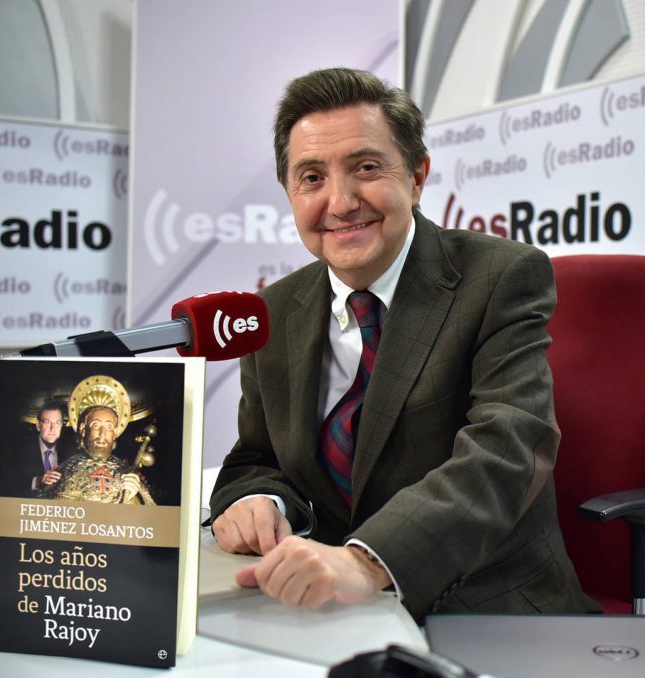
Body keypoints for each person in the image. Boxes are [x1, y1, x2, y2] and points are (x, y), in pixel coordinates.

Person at [208, 67, 597, 622]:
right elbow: (257, 457)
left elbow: (507, 449)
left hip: (481, 605)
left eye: (366, 168)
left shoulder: (500, 277)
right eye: (312, 178)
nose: (340, 202)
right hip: (326, 607)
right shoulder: (273, 311)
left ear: (416, 177)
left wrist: (368, 561)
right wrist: (257, 501)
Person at [38, 376, 156, 505]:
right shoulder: (66, 470)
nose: (102, 434)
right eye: (96, 425)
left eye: (109, 427)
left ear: (115, 432)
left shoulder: (128, 473)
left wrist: (132, 498)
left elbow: (151, 513)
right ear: (83, 429)